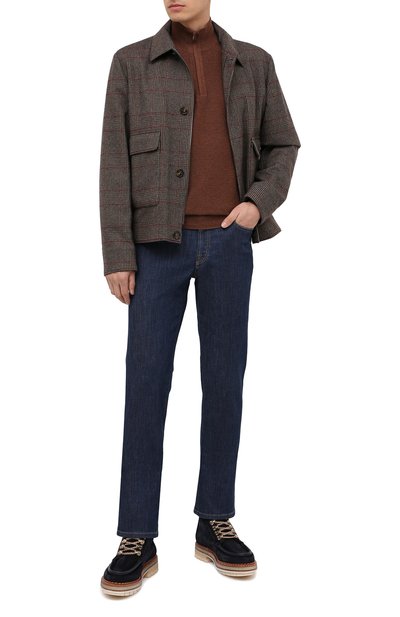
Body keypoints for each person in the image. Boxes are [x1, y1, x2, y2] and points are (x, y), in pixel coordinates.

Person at [99, 0, 301, 596]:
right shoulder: (131, 63)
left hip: (229, 244)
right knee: (145, 385)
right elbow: (113, 163)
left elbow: (283, 145)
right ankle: (136, 534)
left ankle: (215, 520)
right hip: (154, 247)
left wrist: (256, 204)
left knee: (225, 382)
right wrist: (118, 253)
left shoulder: (253, 63)